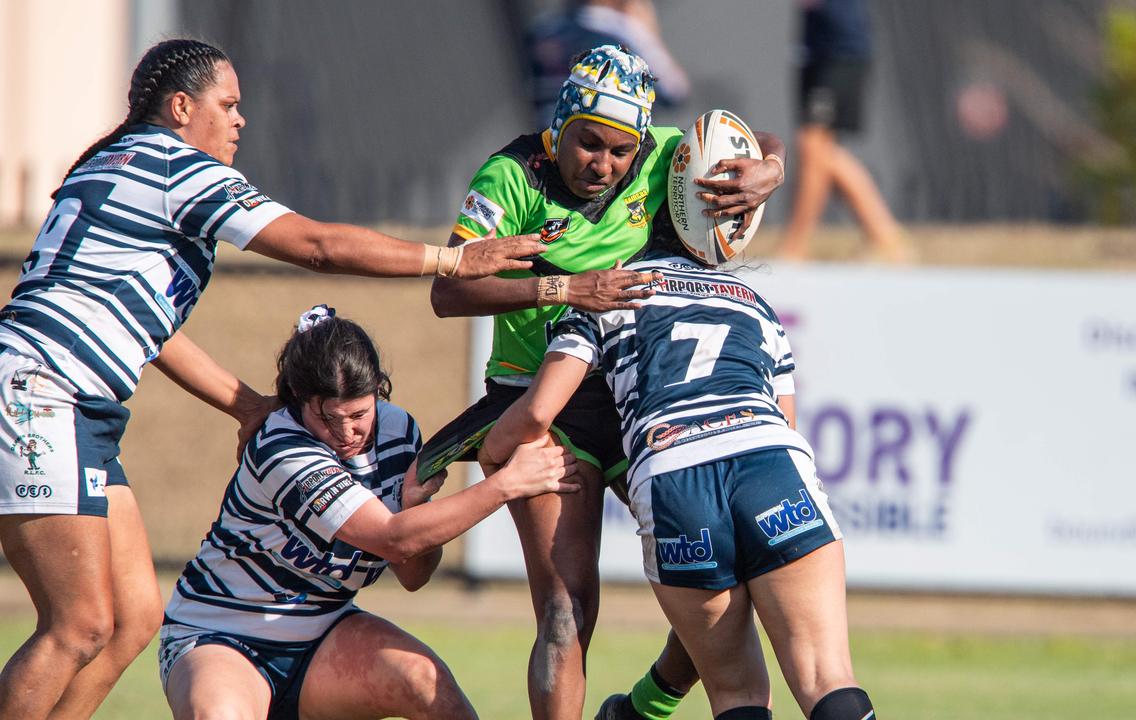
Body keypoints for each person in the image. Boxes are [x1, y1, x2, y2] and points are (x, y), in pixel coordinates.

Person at [0, 38, 545, 720]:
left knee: (134, 618)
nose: (239, 121)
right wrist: (449, 260)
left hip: (72, 402)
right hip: (43, 391)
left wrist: (246, 405)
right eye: (226, 105)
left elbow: (147, 328)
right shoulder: (178, 168)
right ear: (179, 107)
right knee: (77, 624)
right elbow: (316, 245)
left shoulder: (116, 165)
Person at [426, 45, 785, 720]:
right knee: (565, 613)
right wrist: (566, 288)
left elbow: (748, 139)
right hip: (542, 401)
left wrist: (770, 168)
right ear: (560, 124)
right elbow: (448, 292)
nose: (606, 165)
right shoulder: (509, 177)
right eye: (590, 144)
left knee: (727, 577)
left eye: (622, 152)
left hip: (633, 393)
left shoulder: (663, 153)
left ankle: (643, 707)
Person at [478, 224, 877, 720]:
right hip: (766, 462)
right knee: (826, 679)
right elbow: (787, 419)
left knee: (737, 695)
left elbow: (539, 412)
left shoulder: (605, 294)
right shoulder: (752, 301)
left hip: (673, 478)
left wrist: (492, 451)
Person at [159, 308, 578, 719]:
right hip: (221, 633)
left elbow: (414, 575)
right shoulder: (282, 447)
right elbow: (392, 538)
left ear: (378, 388)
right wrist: (507, 484)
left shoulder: (399, 431)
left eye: (358, 415)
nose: (345, 434)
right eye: (328, 418)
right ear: (301, 402)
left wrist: (416, 505)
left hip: (324, 632)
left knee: (426, 682)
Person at [777, 0, 910, 263]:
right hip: (816, 49)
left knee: (814, 145)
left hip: (841, 50)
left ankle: (795, 247)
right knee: (819, 150)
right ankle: (886, 238)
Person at [527, 0, 690, 127]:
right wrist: (647, 33)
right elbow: (673, 91)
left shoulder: (543, 33)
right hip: (606, 153)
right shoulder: (622, 33)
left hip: (545, 148)